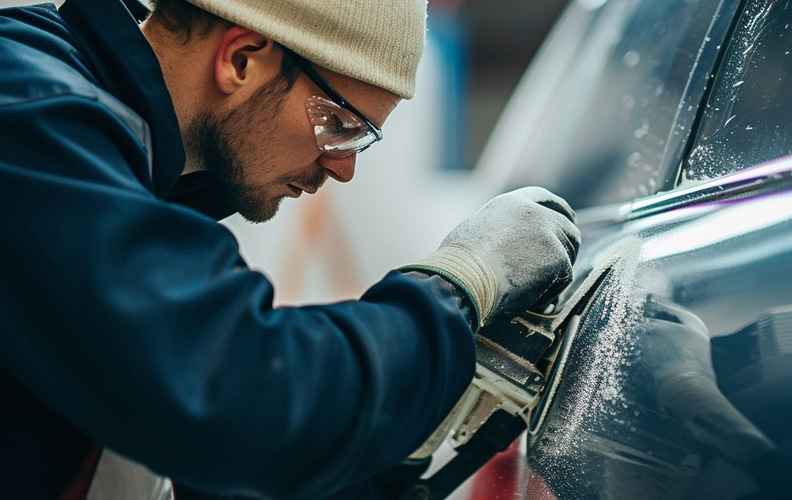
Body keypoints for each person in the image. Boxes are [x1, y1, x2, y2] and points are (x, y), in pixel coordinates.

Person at [0, 0, 580, 498]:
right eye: (340, 124)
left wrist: (400, 440)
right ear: (242, 58)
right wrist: (458, 287)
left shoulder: (133, 160)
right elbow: (244, 397)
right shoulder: (29, 117)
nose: (345, 167)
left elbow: (204, 466)